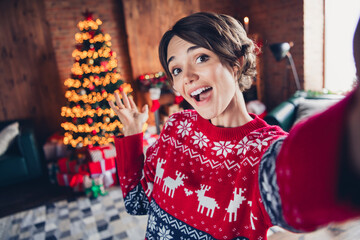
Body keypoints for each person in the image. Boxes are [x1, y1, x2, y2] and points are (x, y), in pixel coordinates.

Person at [109, 12, 360, 240]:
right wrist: (133, 135)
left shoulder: (264, 151)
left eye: (201, 57)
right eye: (176, 69)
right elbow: (137, 202)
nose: (187, 76)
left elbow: (318, 175)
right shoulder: (175, 128)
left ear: (236, 62)